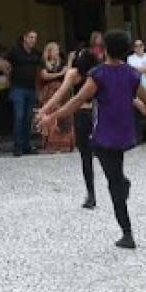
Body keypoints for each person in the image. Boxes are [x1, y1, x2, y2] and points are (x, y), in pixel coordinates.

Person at [38, 30, 146, 249]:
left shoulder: (98, 74)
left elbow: (78, 100)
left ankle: (127, 233)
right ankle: (123, 192)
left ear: (106, 49)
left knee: (113, 182)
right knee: (115, 174)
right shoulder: (131, 74)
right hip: (125, 132)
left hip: (104, 134)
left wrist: (52, 116)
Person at [40, 41, 101, 206]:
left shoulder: (74, 73)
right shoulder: (98, 72)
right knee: (104, 153)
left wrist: (44, 110)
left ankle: (91, 194)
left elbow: (60, 94)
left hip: (81, 113)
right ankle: (116, 183)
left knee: (86, 156)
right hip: (98, 113)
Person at [6, 29, 42, 156]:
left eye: (35, 38)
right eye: (31, 37)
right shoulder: (15, 51)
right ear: (25, 38)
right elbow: (6, 65)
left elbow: (39, 71)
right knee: (19, 116)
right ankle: (17, 146)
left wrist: (38, 89)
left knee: (28, 118)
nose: (33, 40)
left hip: (31, 88)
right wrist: (9, 79)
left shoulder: (36, 53)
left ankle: (27, 144)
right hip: (18, 88)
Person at [37, 42, 74, 154]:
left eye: (58, 50)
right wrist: (59, 74)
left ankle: (65, 144)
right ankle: (51, 144)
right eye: (55, 50)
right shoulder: (44, 63)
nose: (57, 52)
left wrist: (70, 61)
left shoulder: (61, 63)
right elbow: (44, 75)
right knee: (51, 115)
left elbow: (68, 73)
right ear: (49, 52)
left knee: (63, 115)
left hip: (61, 92)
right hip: (49, 92)